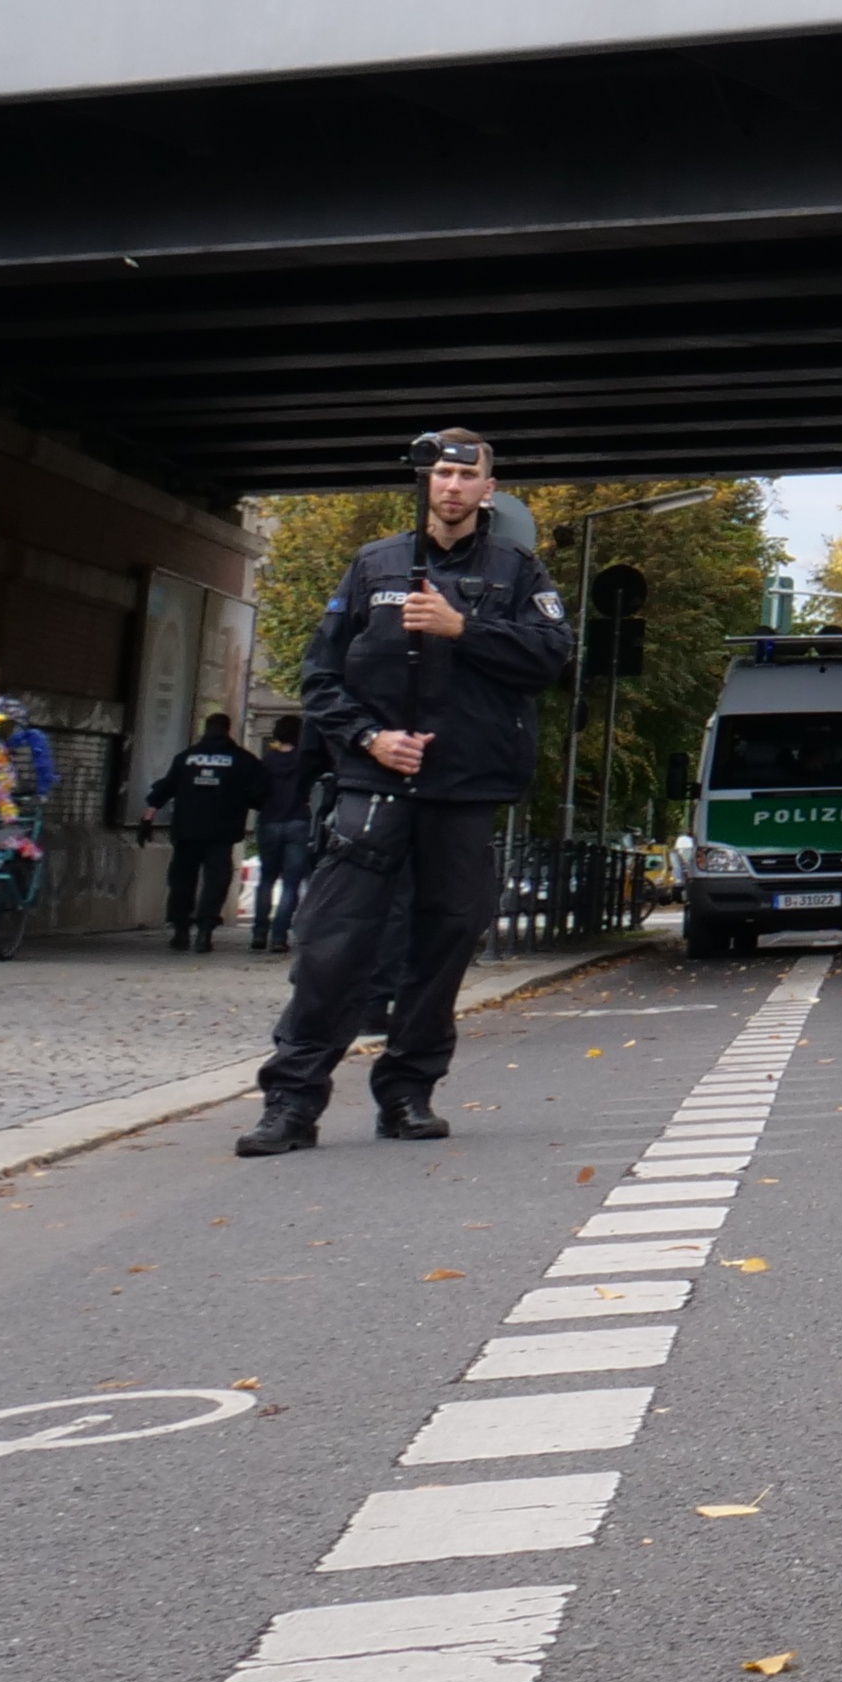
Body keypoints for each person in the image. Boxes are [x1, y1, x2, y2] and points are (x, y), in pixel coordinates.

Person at [240, 432, 570, 1155]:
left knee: (442, 944)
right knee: (332, 945)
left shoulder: (517, 570)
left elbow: (551, 655)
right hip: (375, 783)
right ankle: (290, 1105)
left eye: (465, 476)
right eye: (441, 473)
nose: (451, 486)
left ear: (489, 488)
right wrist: (369, 739)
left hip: (464, 788)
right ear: (425, 483)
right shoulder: (375, 563)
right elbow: (320, 678)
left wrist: (464, 628)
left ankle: (407, 1096)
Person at [141, 713, 267, 953]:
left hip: (187, 830)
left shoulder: (186, 758)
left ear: (205, 729)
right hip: (222, 831)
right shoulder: (242, 759)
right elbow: (260, 792)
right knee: (216, 880)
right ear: (228, 730)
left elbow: (166, 787)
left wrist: (148, 817)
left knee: (181, 879)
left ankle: (180, 930)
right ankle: (205, 931)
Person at [245, 715, 311, 952]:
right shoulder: (305, 761)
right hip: (299, 821)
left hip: (270, 821)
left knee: (266, 879)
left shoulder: (267, 760)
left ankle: (259, 933)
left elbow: (256, 791)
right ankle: (279, 936)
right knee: (291, 883)